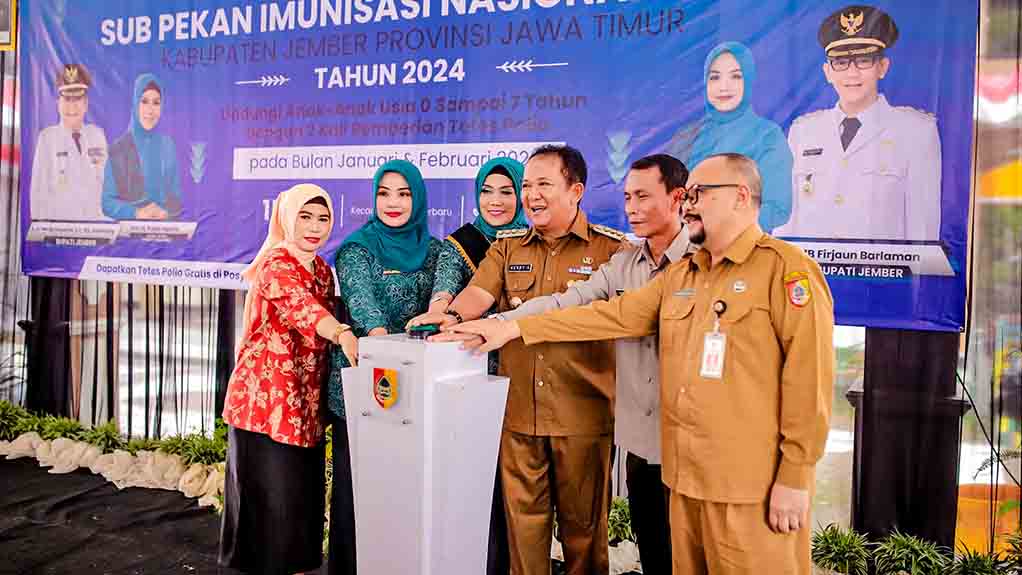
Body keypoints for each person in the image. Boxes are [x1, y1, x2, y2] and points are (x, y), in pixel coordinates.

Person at [445, 153, 835, 575]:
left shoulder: (786, 271)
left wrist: (795, 476)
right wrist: (510, 327)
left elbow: (808, 384)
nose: (689, 205)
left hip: (749, 484)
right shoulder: (684, 275)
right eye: (689, 195)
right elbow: (602, 314)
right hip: (683, 478)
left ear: (741, 196)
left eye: (699, 195)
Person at [411, 144, 624, 575]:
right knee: (524, 538)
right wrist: (451, 316)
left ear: (576, 190)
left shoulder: (611, 250)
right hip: (518, 415)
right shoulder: (507, 247)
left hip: (582, 416)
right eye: (527, 186)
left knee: (584, 537)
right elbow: (479, 293)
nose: (531, 195)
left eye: (544, 184)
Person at [494, 153, 690, 575]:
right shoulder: (625, 263)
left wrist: (515, 327)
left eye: (643, 197)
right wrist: (500, 324)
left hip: (693, 441)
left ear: (678, 199)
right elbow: (569, 301)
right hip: (643, 443)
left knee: (693, 559)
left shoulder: (701, 263)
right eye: (627, 197)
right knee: (656, 554)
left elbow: (609, 317)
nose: (632, 208)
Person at [219, 183, 358, 575]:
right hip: (265, 403)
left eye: (323, 218)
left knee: (300, 500)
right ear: (285, 218)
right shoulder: (275, 263)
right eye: (305, 217)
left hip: (303, 403)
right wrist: (342, 333)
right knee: (270, 501)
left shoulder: (323, 271)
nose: (314, 227)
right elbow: (303, 309)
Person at [325, 159, 442, 575]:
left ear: (418, 199)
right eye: (384, 193)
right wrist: (388, 349)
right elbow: (365, 312)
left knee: (407, 493)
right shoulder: (356, 249)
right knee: (360, 491)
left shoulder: (436, 251)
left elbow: (443, 307)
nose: (393, 203)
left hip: (419, 391)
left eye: (404, 194)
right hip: (366, 390)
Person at [421, 157, 528, 575]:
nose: (495, 201)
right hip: (473, 375)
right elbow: (445, 291)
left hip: (524, 374)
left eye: (506, 191)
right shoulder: (462, 243)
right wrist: (440, 312)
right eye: (487, 191)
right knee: (473, 476)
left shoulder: (532, 239)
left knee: (517, 484)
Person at [776, 4, 941, 241]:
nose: (852, 73)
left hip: (881, 267)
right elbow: (787, 224)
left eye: (864, 60)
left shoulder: (916, 132)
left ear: (882, 67)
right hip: (812, 266)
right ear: (827, 72)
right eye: (841, 62)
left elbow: (922, 234)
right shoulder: (803, 132)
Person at [668, 41, 793, 233]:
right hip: (686, 245)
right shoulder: (688, 136)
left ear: (748, 81)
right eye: (715, 77)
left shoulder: (767, 135)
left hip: (741, 247)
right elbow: (668, 199)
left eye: (735, 76)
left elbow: (777, 208)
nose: (724, 87)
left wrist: (713, 227)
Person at [30, 64, 108, 221]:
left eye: (77, 99)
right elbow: (38, 196)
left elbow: (107, 187)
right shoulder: (47, 139)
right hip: (62, 230)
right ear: (58, 103)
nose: (72, 106)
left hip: (96, 228)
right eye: (67, 99)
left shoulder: (97, 135)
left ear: (86, 104)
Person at [102, 72, 182, 220]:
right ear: (135, 104)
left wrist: (165, 212)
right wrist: (136, 212)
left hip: (164, 230)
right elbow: (107, 203)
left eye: (156, 103)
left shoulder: (167, 145)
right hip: (131, 231)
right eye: (144, 101)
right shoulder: (120, 148)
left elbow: (176, 198)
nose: (150, 110)